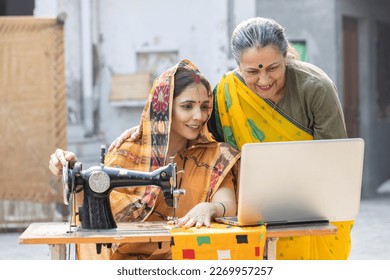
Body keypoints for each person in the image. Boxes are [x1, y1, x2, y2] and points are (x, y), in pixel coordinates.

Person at [109, 17, 352, 260]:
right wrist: (149, 125)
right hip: (256, 210)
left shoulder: (315, 88)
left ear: (286, 56)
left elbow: (335, 161)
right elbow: (195, 126)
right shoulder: (227, 93)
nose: (264, 80)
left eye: (273, 67)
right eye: (253, 71)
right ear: (238, 66)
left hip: (311, 206)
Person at [49, 59, 242, 260]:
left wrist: (210, 208)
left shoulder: (215, 155)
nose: (199, 116)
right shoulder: (128, 151)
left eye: (204, 107)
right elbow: (91, 212)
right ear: (164, 109)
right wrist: (74, 176)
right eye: (187, 106)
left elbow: (228, 204)